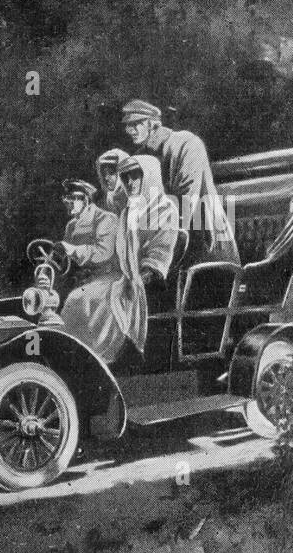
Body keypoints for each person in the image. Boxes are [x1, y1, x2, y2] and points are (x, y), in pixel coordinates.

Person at [59, 155, 179, 362]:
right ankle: (77, 354)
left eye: (136, 177)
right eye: (126, 177)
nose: (130, 183)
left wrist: (135, 279)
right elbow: (118, 253)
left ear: (149, 176)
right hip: (123, 274)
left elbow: (159, 253)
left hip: (149, 279)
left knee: (88, 298)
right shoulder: (128, 212)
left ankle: (100, 356)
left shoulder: (165, 209)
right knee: (78, 296)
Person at [121, 99, 240, 267]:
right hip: (163, 244)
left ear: (153, 124)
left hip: (202, 239)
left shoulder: (186, 143)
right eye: (127, 125)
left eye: (136, 123)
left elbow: (186, 197)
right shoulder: (141, 157)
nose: (129, 130)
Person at [56, 179, 118, 287]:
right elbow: (67, 261)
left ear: (85, 200)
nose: (67, 202)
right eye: (65, 198)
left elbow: (103, 252)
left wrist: (73, 250)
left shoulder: (106, 218)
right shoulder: (71, 225)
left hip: (104, 279)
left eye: (71, 198)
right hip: (78, 280)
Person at [95, 148, 130, 214]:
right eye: (104, 174)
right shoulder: (107, 202)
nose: (106, 178)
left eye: (111, 173)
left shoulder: (133, 200)